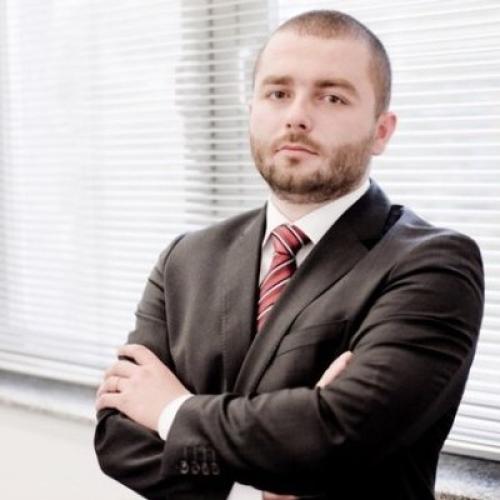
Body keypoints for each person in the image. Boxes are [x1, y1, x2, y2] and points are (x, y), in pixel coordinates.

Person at [94, 9, 484, 500]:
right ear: (252, 110)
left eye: (332, 97)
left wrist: (172, 410)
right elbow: (119, 441)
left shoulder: (433, 266)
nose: (297, 115)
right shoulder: (186, 259)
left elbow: (337, 434)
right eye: (278, 93)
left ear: (381, 131)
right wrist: (288, 456)